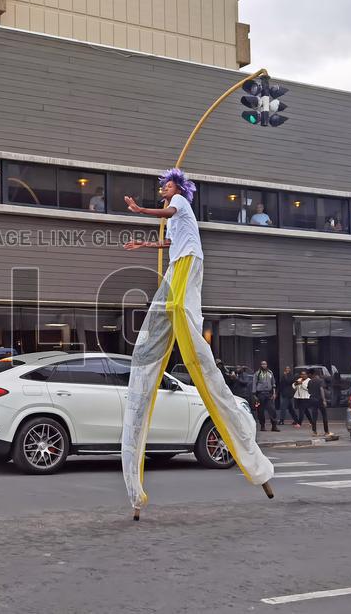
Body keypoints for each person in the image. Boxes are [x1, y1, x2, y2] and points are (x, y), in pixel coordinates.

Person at [120, 169, 273, 513]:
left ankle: (186, 330)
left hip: (189, 264)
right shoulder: (176, 216)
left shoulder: (179, 202)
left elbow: (169, 216)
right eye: (164, 185)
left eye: (168, 184)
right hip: (179, 263)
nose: (165, 188)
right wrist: (145, 243)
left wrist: (139, 211)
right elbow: (171, 242)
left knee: (178, 308)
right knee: (168, 309)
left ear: (178, 188)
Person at [305, 368, 333, 437]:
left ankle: (314, 432)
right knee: (324, 415)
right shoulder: (320, 381)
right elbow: (321, 390)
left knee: (314, 416)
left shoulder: (310, 382)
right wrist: (324, 400)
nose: (308, 375)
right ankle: (326, 432)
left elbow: (308, 391)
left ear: (311, 374)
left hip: (313, 400)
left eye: (308, 374)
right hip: (320, 400)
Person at [252, 361, 278, 432]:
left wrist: (274, 393)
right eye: (262, 364)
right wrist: (254, 394)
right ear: (260, 365)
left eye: (265, 364)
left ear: (267, 365)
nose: (264, 365)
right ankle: (262, 426)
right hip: (260, 394)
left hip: (269, 394)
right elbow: (254, 383)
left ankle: (274, 426)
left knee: (272, 409)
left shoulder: (270, 372)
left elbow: (273, 383)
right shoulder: (257, 373)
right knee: (260, 411)